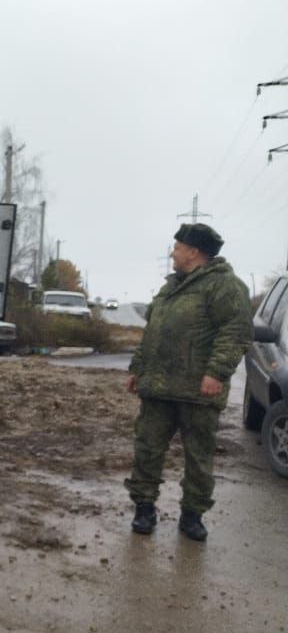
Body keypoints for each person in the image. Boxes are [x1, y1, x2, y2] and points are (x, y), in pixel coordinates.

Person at [125, 223, 251, 542]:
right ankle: (144, 508)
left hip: (197, 390)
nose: (173, 253)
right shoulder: (170, 287)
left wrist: (216, 373)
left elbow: (235, 332)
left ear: (194, 252)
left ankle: (192, 515)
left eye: (178, 247)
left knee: (199, 456)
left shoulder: (224, 286)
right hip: (158, 387)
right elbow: (152, 331)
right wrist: (138, 368)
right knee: (147, 449)